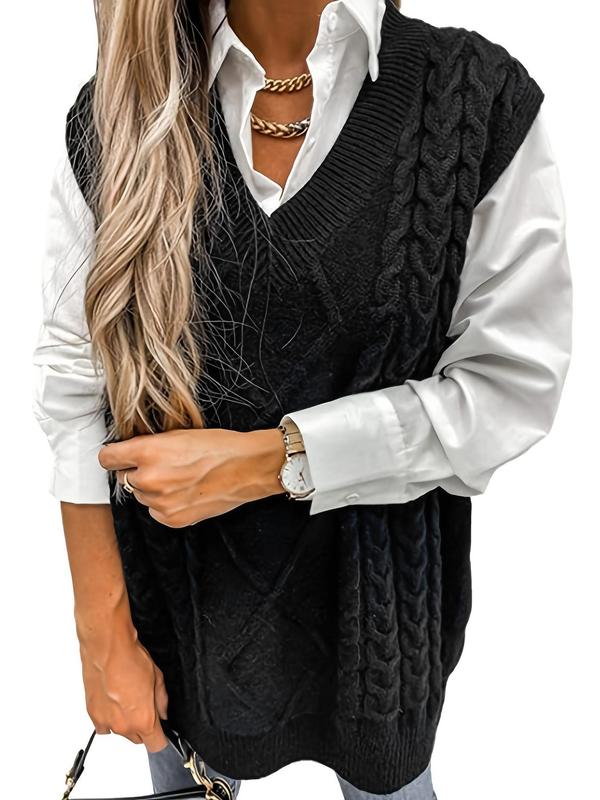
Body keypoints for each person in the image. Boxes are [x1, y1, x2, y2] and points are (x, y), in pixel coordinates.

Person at [31, 0, 572, 798]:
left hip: (381, 649)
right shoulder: (121, 108)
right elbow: (76, 384)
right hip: (185, 644)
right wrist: (100, 631)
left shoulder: (474, 101)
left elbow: (508, 388)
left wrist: (270, 462)